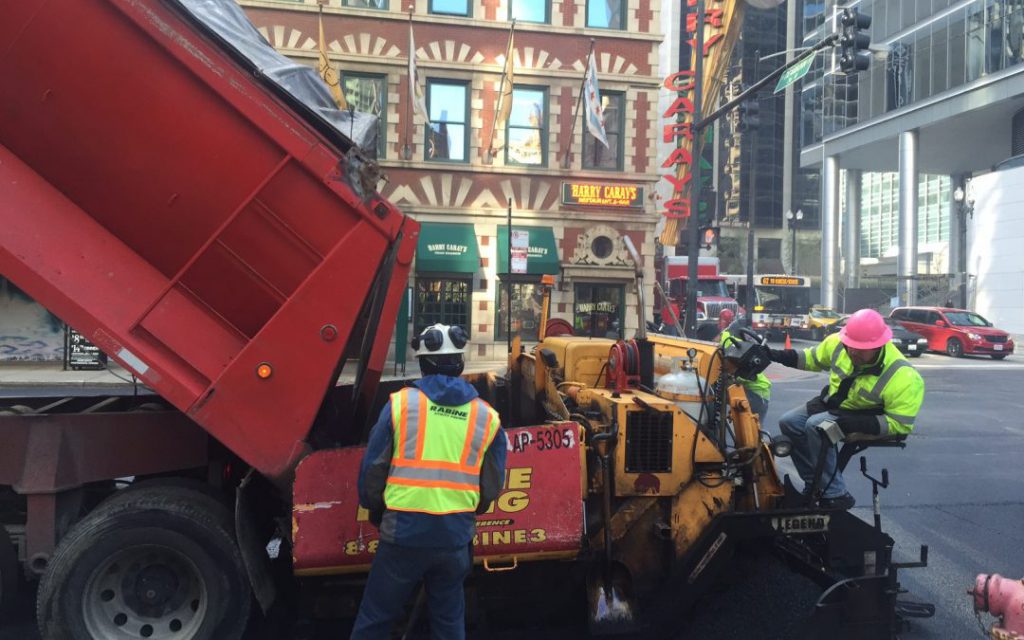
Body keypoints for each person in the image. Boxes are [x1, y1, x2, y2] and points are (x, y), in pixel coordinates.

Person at [352, 324, 507, 640]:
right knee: (449, 625)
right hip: (453, 539)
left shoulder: (401, 405)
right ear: (460, 363)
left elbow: (373, 473)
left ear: (422, 364)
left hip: (403, 536)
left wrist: (375, 509)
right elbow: (490, 486)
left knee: (375, 620)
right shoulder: (486, 416)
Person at [766, 308, 924, 510]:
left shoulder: (903, 376)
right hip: (836, 405)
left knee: (817, 425)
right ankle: (814, 484)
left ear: (879, 345)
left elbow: (900, 425)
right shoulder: (838, 344)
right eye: (851, 346)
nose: (853, 352)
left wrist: (857, 424)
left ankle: (836, 494)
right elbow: (810, 359)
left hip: (865, 415)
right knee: (789, 422)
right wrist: (774, 355)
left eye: (861, 348)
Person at [716, 308, 772, 423]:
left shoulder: (727, 341)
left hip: (757, 393)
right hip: (756, 389)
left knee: (751, 433)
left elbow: (731, 367)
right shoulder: (729, 339)